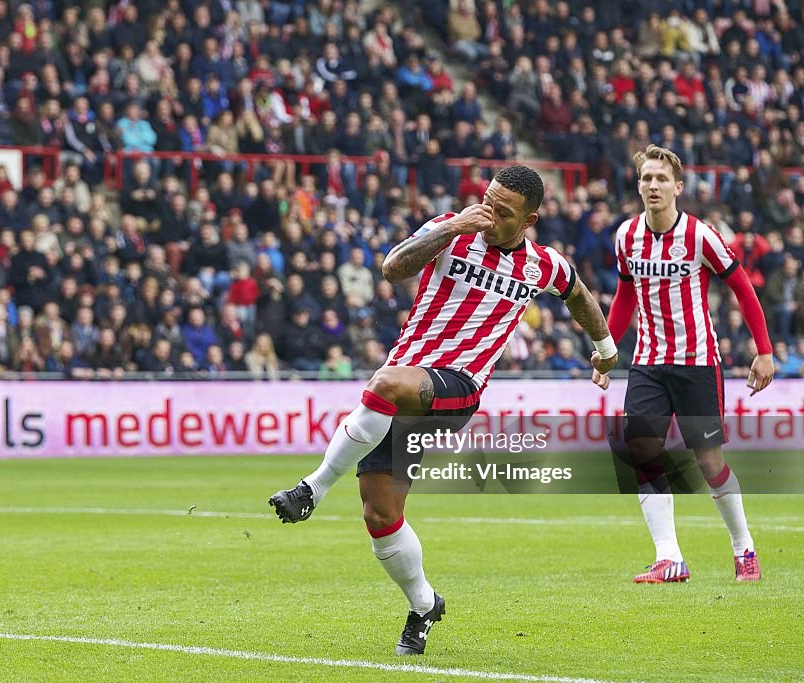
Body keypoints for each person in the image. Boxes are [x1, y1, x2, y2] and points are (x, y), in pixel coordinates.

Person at [269, 166, 618, 655]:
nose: (490, 213)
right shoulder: (450, 230)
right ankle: (424, 604)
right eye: (488, 200)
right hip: (400, 390)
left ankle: (313, 487)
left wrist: (604, 348)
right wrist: (451, 227)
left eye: (504, 211)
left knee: (385, 382)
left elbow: (579, 296)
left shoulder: (543, 264)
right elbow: (392, 268)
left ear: (530, 219)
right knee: (379, 515)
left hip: (458, 388)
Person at [596, 145, 774, 583]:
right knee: (640, 448)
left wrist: (764, 350)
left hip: (697, 362)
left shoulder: (701, 236)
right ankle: (668, 557)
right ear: (638, 186)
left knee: (709, 462)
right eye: (646, 179)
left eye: (661, 179)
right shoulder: (625, 236)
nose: (653, 186)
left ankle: (743, 546)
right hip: (648, 361)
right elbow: (625, 298)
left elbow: (743, 289)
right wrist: (606, 348)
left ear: (678, 187)